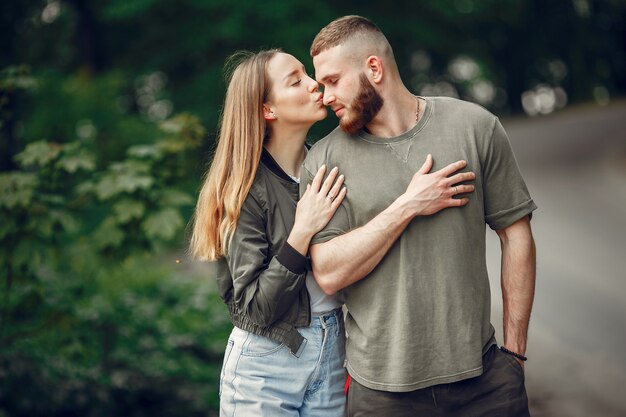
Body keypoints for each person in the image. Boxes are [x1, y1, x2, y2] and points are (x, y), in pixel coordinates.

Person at [189, 49, 475, 416]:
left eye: (307, 75)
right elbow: (256, 310)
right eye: (296, 81)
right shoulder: (243, 190)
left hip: (333, 349)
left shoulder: (327, 167)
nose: (315, 86)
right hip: (266, 362)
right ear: (267, 110)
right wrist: (301, 232)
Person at [300, 15, 537, 416]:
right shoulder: (326, 159)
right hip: (381, 394)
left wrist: (514, 354)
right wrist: (408, 205)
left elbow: (516, 234)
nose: (325, 97)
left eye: (333, 80)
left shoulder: (474, 126)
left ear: (373, 68)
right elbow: (329, 272)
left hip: (484, 383)